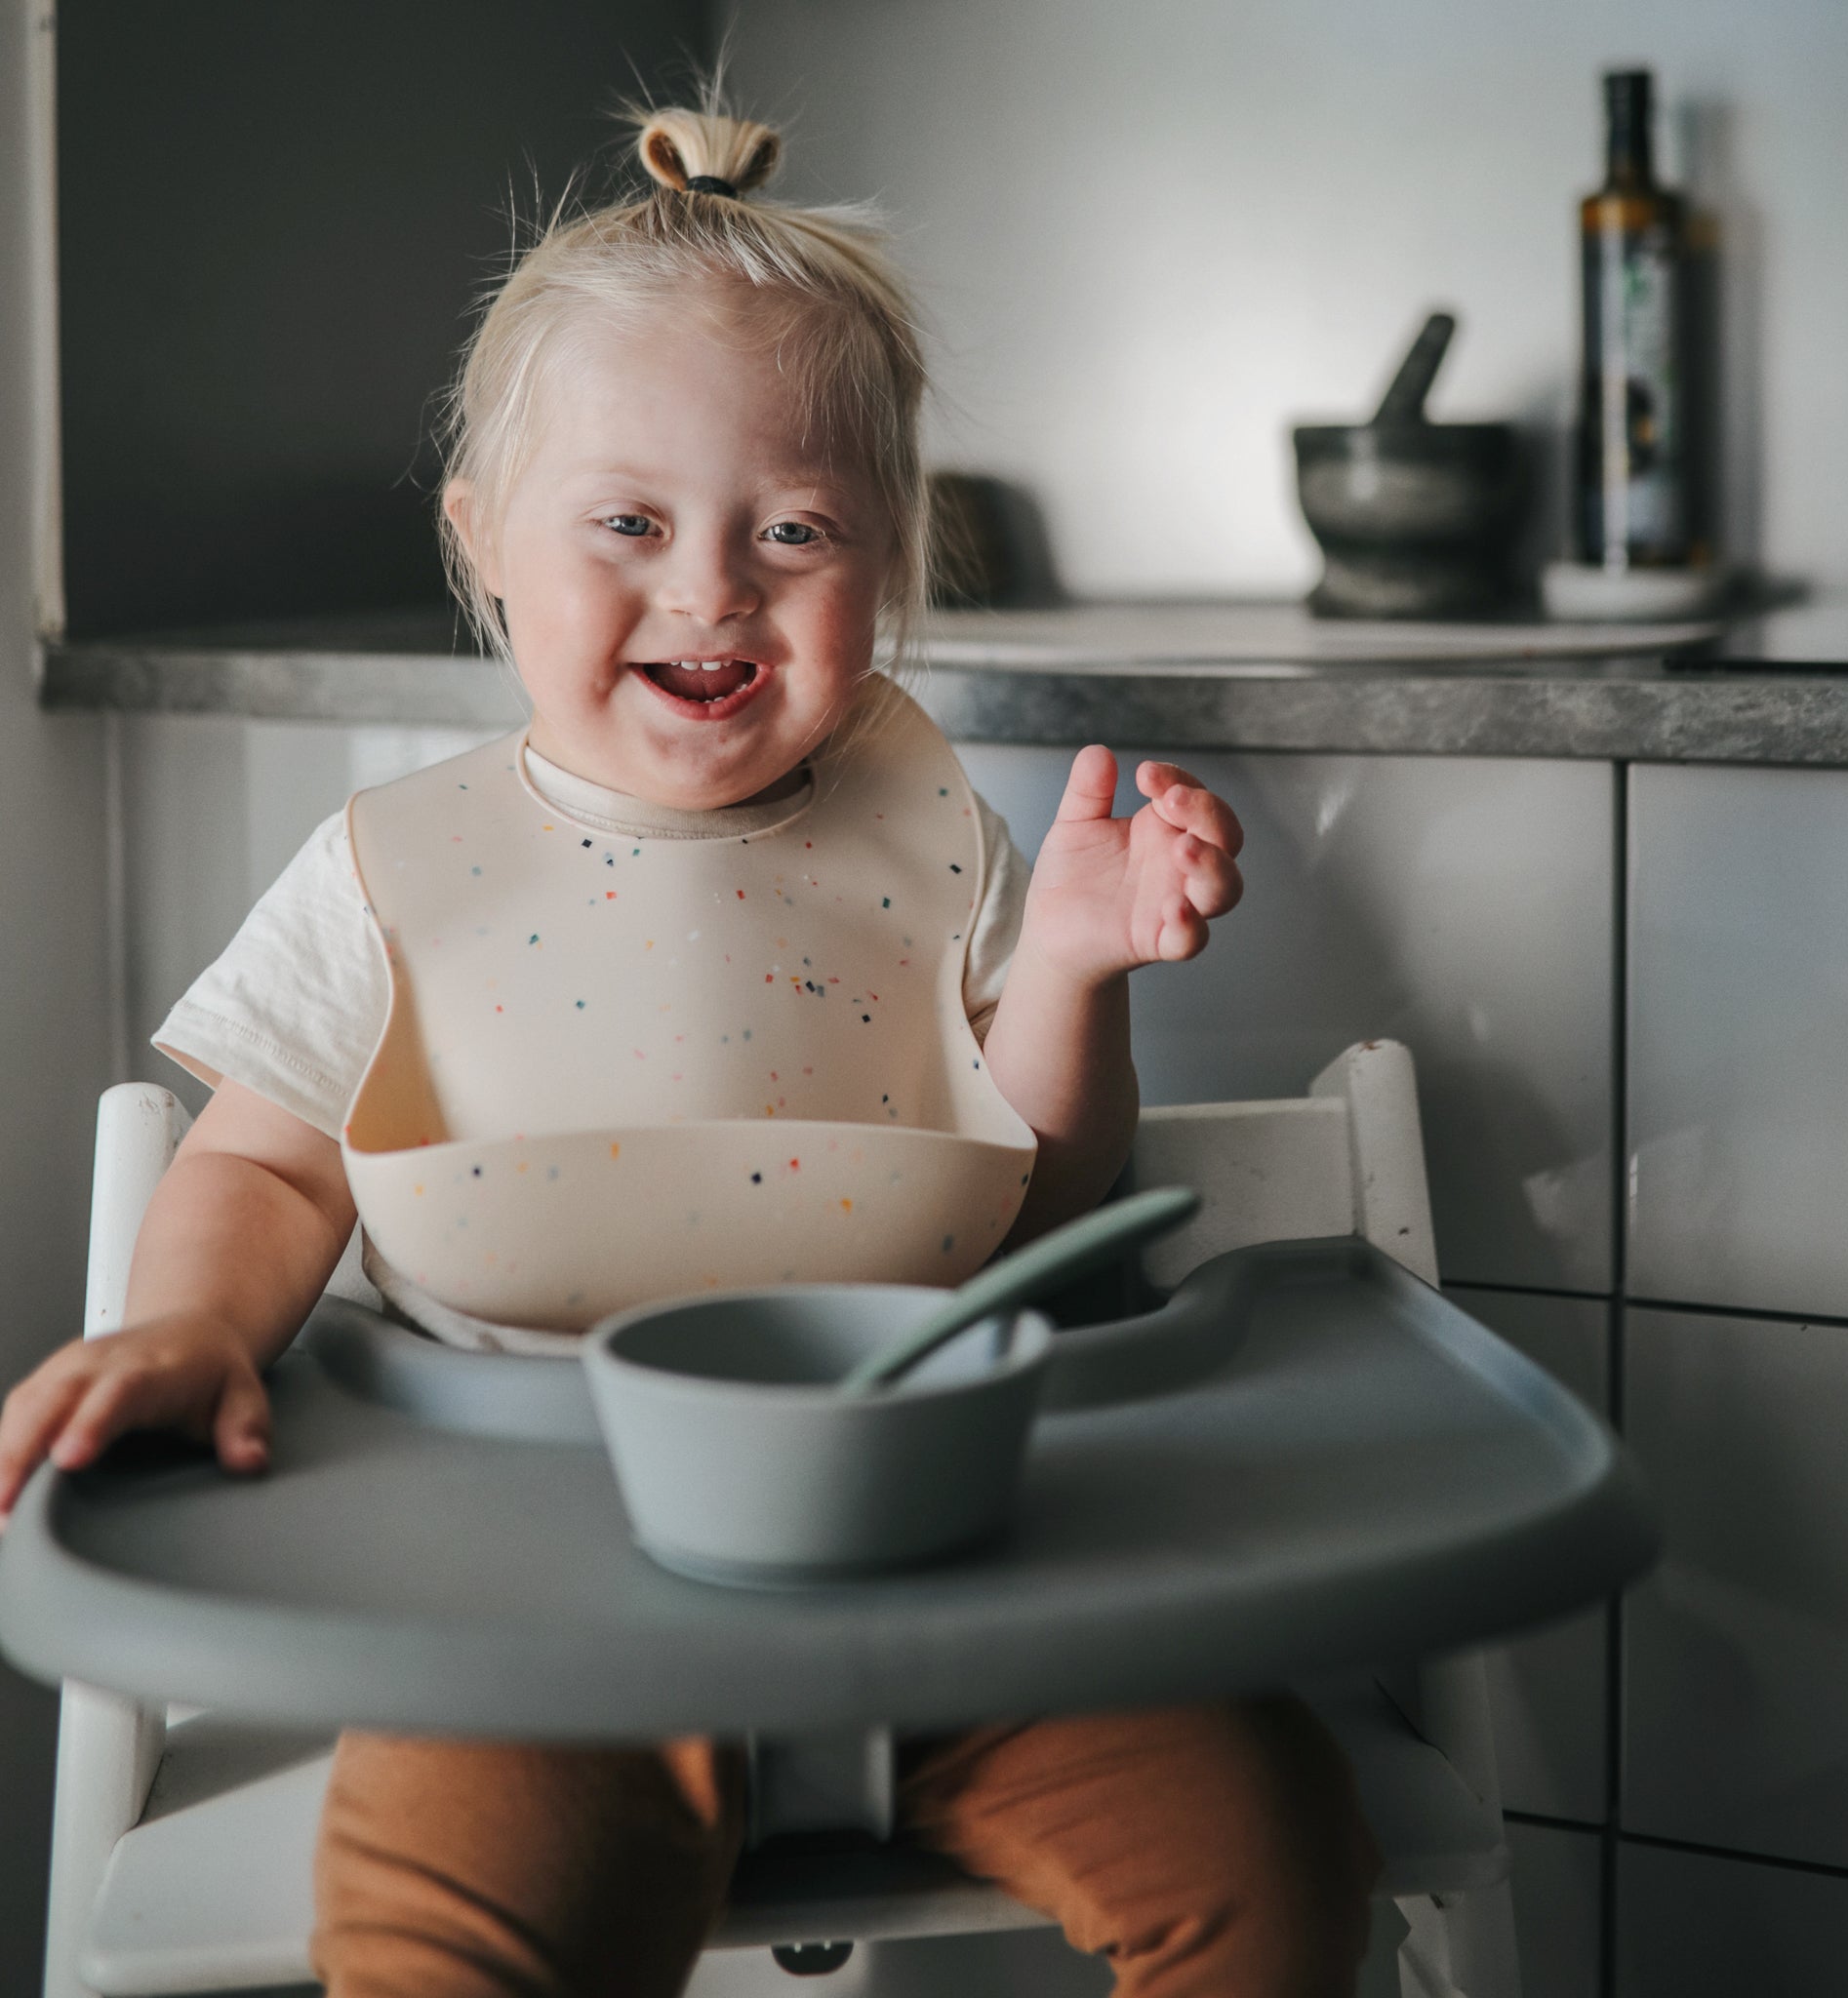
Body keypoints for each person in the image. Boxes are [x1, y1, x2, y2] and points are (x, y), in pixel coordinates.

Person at [0, 101, 1378, 1996]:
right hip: (532, 1610)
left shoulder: (941, 847)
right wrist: (184, 1331)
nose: (713, 586)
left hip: (958, 1571)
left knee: (1275, 1850)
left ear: (889, 560)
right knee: (433, 1947)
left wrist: (1067, 966)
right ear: (484, 543)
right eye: (629, 523)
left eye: (795, 529)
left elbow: (1039, 1199)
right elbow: (265, 1160)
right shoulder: (392, 876)